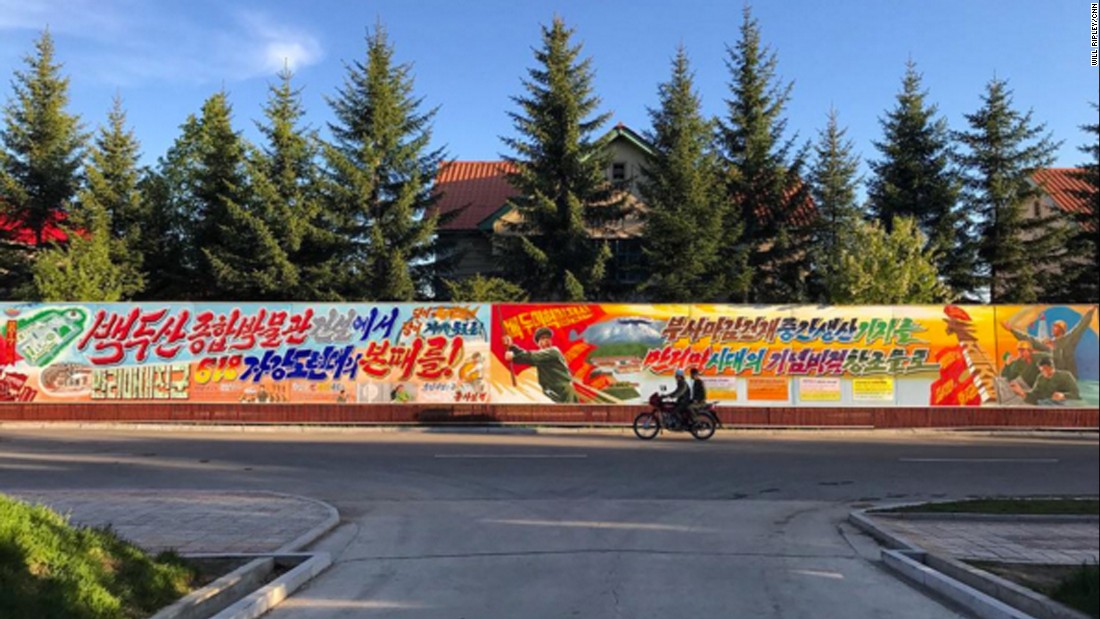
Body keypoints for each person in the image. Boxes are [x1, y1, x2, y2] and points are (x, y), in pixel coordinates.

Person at [1003, 306, 1096, 379]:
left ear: (1061, 329)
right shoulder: (1048, 343)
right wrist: (1012, 330)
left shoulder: (1069, 339)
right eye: (1053, 326)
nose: (1052, 329)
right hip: (1053, 378)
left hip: (1069, 377)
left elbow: (1080, 327)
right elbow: (1030, 339)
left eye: (1055, 327)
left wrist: (1090, 312)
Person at [503, 327, 578, 403]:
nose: (546, 340)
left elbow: (531, 357)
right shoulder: (541, 357)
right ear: (539, 343)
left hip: (565, 392)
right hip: (553, 393)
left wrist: (514, 357)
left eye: (548, 338)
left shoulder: (553, 351)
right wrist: (512, 347)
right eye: (542, 338)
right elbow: (528, 355)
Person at [1010, 357, 1080, 405]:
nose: (1043, 372)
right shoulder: (1041, 378)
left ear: (1052, 367)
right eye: (1041, 370)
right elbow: (1035, 395)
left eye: (1045, 369)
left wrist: (1063, 396)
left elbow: (1076, 394)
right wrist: (1022, 393)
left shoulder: (1066, 376)